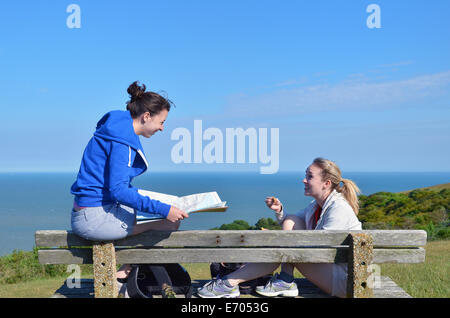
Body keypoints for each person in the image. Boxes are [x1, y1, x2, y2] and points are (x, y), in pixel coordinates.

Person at [70, 81, 189, 279]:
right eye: (161, 122)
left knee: (152, 213)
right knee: (169, 223)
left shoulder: (116, 129)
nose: (162, 128)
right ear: (146, 116)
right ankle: (124, 274)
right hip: (95, 218)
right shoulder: (122, 142)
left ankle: (126, 272)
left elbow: (114, 187)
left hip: (89, 211)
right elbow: (119, 191)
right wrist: (165, 210)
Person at [197, 157, 362, 298]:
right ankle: (284, 280)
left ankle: (228, 283)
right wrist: (280, 212)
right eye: (306, 175)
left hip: (344, 282)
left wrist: (282, 242)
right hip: (331, 273)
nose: (304, 180)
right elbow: (292, 223)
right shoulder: (317, 205)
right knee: (291, 220)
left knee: (282, 246)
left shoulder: (338, 208)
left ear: (326, 183)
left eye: (310, 176)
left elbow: (323, 252)